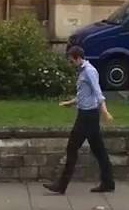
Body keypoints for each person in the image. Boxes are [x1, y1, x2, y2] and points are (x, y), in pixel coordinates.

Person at [45, 46, 115, 194]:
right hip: (87, 115)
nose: (70, 64)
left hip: (87, 117)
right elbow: (84, 94)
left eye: (71, 61)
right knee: (99, 150)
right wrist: (70, 103)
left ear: (78, 58)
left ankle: (61, 185)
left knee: (72, 148)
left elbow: (98, 93)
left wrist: (105, 112)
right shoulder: (84, 71)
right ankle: (108, 182)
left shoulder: (89, 71)